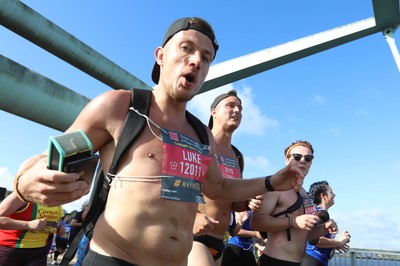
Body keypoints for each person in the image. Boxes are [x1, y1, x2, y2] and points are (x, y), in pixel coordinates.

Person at [12, 17, 305, 266]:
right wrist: (23, 184)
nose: (196, 61)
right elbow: (49, 157)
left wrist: (271, 182)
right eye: (186, 49)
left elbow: (219, 188)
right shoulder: (120, 107)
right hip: (114, 258)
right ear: (161, 56)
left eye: (206, 58)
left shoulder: (202, 134)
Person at [188, 90, 262, 266]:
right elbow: (175, 187)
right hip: (193, 235)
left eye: (240, 108)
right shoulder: (198, 142)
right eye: (230, 105)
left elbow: (233, 201)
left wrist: (246, 203)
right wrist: (192, 217)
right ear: (213, 111)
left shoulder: (237, 156)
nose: (237, 110)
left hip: (219, 239)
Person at [251, 140, 338, 266]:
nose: (302, 161)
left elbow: (305, 235)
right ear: (287, 160)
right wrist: (293, 221)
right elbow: (256, 223)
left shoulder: (306, 196)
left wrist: (324, 229)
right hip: (274, 261)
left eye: (308, 158)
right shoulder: (275, 188)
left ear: (311, 163)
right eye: (297, 157)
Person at [0, 191, 64, 266]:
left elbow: (55, 225)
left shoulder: (58, 203)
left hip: (40, 252)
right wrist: (27, 225)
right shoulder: (23, 194)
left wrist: (60, 229)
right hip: (12, 249)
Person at [300, 181, 351, 266]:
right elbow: (315, 240)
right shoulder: (321, 214)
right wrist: (340, 241)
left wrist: (334, 244)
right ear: (323, 196)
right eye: (331, 192)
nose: (334, 195)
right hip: (313, 259)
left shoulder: (315, 211)